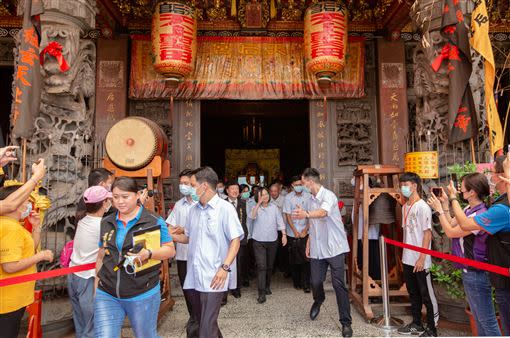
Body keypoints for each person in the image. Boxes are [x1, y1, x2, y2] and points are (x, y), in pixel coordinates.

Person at [94, 177, 175, 338]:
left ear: (137, 195)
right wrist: (96, 287)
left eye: (125, 197)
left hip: (142, 292)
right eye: (115, 197)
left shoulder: (154, 220)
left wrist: (149, 254)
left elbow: (170, 250)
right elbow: (102, 254)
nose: (120, 202)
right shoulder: (107, 221)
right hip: (107, 293)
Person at [172, 167, 244, 338]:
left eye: (191, 184)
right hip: (194, 275)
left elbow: (236, 240)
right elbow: (188, 237)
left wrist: (224, 268)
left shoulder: (225, 208)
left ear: (204, 186)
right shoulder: (193, 210)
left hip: (215, 277)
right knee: (203, 321)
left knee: (205, 330)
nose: (189, 189)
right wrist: (170, 236)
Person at [427, 173, 500, 336]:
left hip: (477, 272)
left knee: (486, 320)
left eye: (462, 186)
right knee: (479, 318)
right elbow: (452, 222)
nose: (459, 189)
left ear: (472, 191)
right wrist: (445, 204)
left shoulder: (479, 215)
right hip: (470, 272)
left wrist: (439, 211)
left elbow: (451, 232)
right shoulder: (469, 209)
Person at [452, 154, 510, 335]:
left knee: (490, 321)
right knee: (482, 319)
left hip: (502, 278)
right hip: (499, 276)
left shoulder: (501, 209)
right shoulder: (499, 204)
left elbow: (464, 225)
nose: (490, 178)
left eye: (493, 172)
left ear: (503, 176)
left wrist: (453, 199)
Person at [293, 168, 352, 338]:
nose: (302, 187)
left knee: (338, 284)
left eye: (303, 184)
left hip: (334, 247)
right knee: (316, 281)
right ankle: (318, 299)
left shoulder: (329, 196)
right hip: (318, 248)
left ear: (310, 182)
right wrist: (309, 242)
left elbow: (322, 213)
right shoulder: (310, 200)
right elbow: (313, 223)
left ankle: (346, 323)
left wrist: (306, 214)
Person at [0, 185, 54, 338]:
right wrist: (41, 256)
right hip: (8, 301)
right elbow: (10, 266)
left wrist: (36, 228)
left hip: (12, 298)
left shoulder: (13, 225)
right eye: (26, 201)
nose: (29, 205)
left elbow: (28, 250)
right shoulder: (10, 228)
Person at [397, 172, 438, 337]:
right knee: (413, 293)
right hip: (408, 258)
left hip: (421, 260)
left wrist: (422, 257)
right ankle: (416, 323)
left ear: (414, 185)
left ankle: (432, 328)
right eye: (401, 185)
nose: (403, 188)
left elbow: (427, 234)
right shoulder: (405, 206)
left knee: (426, 295)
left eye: (405, 185)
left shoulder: (423, 207)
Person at [68, 186, 112, 338]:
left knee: (81, 322)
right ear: (104, 203)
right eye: (109, 200)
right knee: (92, 326)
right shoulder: (102, 225)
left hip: (74, 274)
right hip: (88, 278)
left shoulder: (82, 219)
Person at [166, 169, 197, 333]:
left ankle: (200, 319)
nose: (184, 186)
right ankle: (193, 317)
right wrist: (171, 233)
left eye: (187, 183)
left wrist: (184, 230)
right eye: (182, 183)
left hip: (199, 255)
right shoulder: (178, 205)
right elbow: (170, 227)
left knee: (199, 289)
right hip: (183, 255)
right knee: (187, 289)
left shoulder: (202, 203)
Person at [250, 187, 287, 303]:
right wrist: (258, 204)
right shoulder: (255, 207)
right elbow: (252, 216)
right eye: (262, 195)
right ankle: (261, 293)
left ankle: (267, 286)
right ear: (258, 197)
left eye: (266, 194)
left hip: (272, 240)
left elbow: (280, 221)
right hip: (258, 241)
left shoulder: (274, 208)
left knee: (270, 266)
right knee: (261, 266)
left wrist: (284, 235)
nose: (265, 196)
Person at [283, 176, 311, 292]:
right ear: (292, 186)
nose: (299, 186)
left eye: (300, 184)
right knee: (294, 259)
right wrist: (294, 230)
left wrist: (305, 229)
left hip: (306, 231)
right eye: (296, 185)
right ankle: (297, 282)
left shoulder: (308, 196)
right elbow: (288, 215)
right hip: (292, 232)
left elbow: (311, 214)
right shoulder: (288, 198)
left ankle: (306, 284)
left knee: (306, 258)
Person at [350, 177, 381, 281]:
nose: (353, 179)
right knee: (363, 262)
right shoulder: (359, 192)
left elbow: (367, 214)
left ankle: (374, 288)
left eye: (355, 177)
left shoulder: (367, 191)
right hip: (360, 234)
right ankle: (366, 286)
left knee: (372, 263)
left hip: (368, 235)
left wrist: (364, 233)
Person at [225, 180, 249, 297]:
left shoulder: (243, 203)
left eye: (237, 189)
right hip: (225, 240)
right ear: (227, 190)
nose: (235, 191)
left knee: (239, 264)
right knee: (225, 263)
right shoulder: (222, 203)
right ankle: (223, 291)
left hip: (240, 240)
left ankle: (236, 288)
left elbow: (246, 221)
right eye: (232, 188)